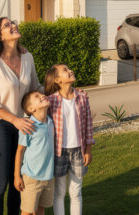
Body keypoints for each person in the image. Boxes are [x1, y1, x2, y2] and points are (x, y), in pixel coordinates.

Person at [0, 17, 42, 215]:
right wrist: (15, 120)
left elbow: (35, 88)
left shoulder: (27, 57)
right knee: (0, 183)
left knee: (18, 180)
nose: (13, 26)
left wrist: (59, 90)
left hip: (24, 126)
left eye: (13, 22)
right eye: (7, 25)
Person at [45, 64, 94, 215]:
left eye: (69, 69)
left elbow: (88, 124)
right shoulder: (51, 101)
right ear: (57, 80)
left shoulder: (82, 97)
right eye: (65, 70)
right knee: (59, 192)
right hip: (59, 152)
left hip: (79, 151)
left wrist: (88, 149)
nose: (70, 70)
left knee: (76, 192)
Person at [14, 91, 55, 215]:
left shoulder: (50, 122)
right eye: (37, 96)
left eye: (41, 94)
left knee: (41, 209)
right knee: (27, 211)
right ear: (31, 109)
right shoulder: (28, 126)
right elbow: (20, 151)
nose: (42, 96)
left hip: (48, 176)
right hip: (31, 177)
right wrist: (17, 176)